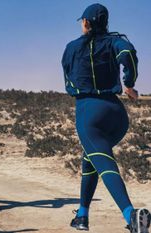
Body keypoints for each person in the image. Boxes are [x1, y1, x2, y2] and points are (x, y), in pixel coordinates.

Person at [62, 3, 150, 232]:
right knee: (90, 157)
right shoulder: (114, 41)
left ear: (86, 23)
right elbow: (128, 52)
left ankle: (131, 215)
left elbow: (68, 77)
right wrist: (129, 84)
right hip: (117, 114)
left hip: (89, 113)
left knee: (104, 162)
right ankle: (82, 215)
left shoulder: (72, 47)